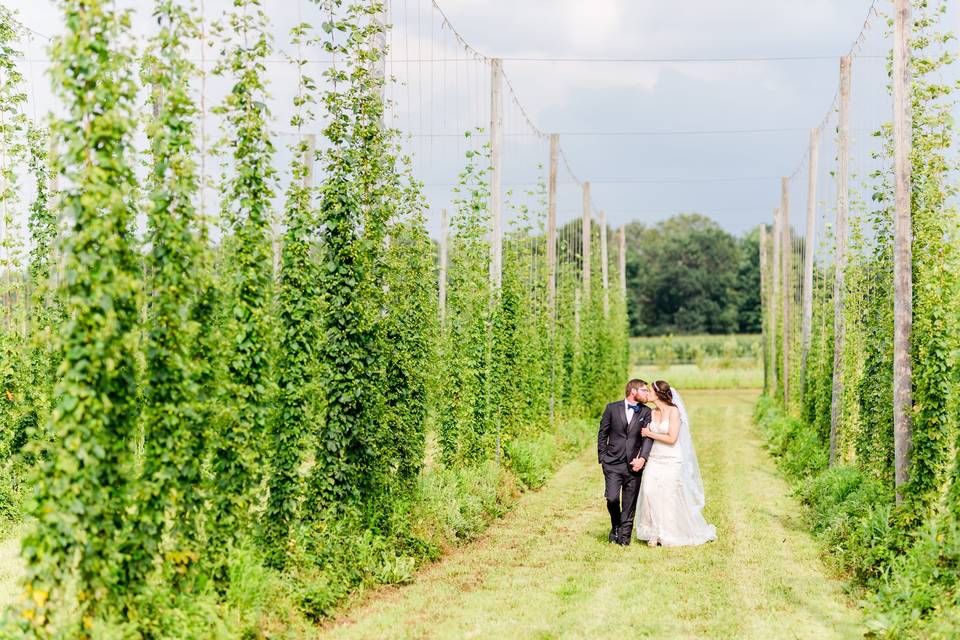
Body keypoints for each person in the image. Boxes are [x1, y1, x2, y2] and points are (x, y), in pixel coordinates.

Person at [633, 380, 717, 547]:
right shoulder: (651, 412)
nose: (647, 394)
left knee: (668, 496)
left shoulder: (673, 412)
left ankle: (668, 532)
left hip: (672, 459)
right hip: (655, 458)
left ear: (658, 394)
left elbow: (672, 438)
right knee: (649, 492)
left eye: (649, 391)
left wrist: (651, 433)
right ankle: (652, 531)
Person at [597, 379, 654, 545]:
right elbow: (603, 433)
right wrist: (603, 457)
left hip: (634, 463)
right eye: (644, 390)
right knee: (612, 498)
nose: (647, 394)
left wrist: (642, 459)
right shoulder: (612, 408)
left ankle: (624, 537)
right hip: (612, 463)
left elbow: (647, 438)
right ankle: (615, 526)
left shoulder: (646, 412)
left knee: (630, 502)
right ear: (633, 391)